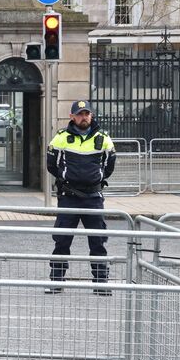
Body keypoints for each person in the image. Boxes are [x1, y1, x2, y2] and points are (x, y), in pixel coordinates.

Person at [45, 100, 117, 296]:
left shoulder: (103, 138)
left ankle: (101, 283)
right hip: (69, 197)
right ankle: (56, 280)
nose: (83, 117)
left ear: (91, 116)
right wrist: (66, 180)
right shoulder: (61, 138)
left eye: (86, 114)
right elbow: (52, 165)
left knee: (98, 241)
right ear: (72, 117)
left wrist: (98, 179)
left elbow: (109, 165)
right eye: (79, 114)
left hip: (93, 197)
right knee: (62, 240)